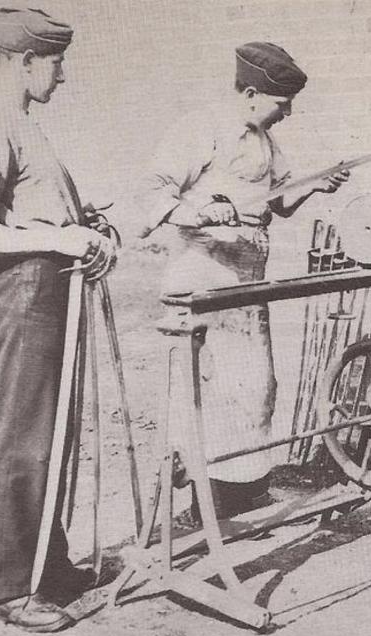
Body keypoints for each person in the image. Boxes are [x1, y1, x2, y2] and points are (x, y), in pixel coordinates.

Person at [0, 7, 117, 632]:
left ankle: (48, 564)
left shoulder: (25, 125)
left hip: (54, 292)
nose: (64, 76)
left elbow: (39, 216)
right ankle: (7, 588)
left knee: (51, 439)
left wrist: (85, 223)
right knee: (22, 442)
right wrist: (61, 240)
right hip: (25, 295)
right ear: (25, 61)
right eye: (57, 62)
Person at [141, 41, 349, 517]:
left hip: (247, 280)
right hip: (202, 278)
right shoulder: (200, 128)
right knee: (211, 391)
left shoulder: (264, 140)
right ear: (252, 93)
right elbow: (153, 191)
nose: (288, 113)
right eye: (282, 103)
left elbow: (277, 202)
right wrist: (199, 211)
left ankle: (237, 492)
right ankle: (204, 502)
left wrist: (314, 184)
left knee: (254, 386)